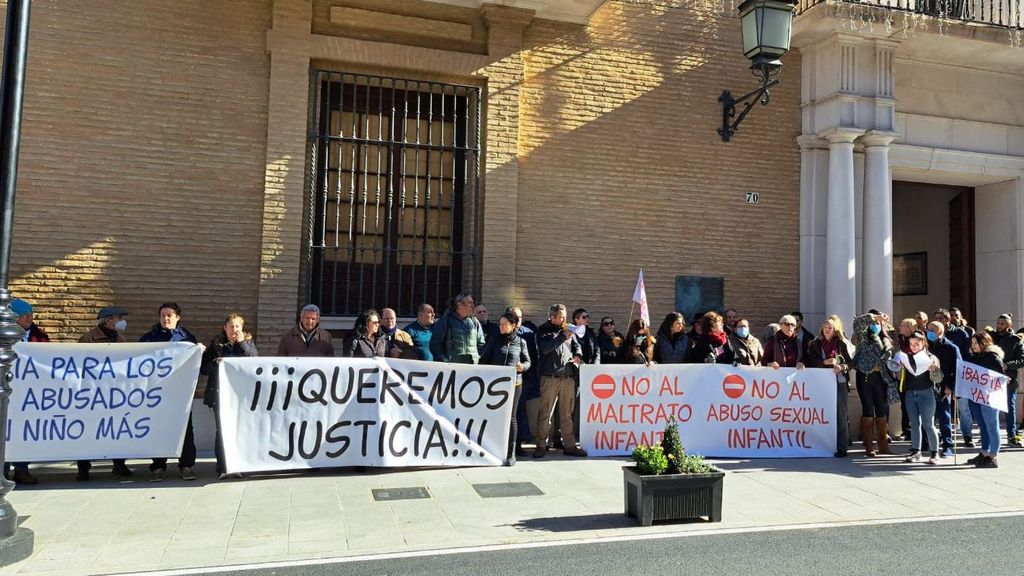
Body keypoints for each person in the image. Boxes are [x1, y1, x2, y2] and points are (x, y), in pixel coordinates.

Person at [139, 303, 202, 482]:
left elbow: (195, 364)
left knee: (185, 430)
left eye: (169, 315)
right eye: (162, 315)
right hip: (157, 394)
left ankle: (186, 466)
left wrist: (199, 352)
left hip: (180, 394)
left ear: (178, 317)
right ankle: (158, 466)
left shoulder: (187, 339)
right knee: (159, 428)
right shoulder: (148, 339)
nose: (165, 319)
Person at [76, 306, 131, 481]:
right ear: (109, 320)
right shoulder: (87, 339)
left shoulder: (121, 340)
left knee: (116, 429)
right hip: (92, 393)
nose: (122, 321)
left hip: (114, 394)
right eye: (119, 317)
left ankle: (119, 464)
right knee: (88, 431)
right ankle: (83, 468)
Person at [201, 313, 258, 479]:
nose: (234, 330)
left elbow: (255, 362)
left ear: (242, 329)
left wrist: (242, 344)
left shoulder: (247, 343)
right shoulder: (216, 345)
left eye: (237, 327)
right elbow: (204, 369)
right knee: (222, 431)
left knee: (240, 430)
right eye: (231, 326)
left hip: (241, 396)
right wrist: (214, 363)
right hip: (220, 395)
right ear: (225, 328)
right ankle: (223, 467)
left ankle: (239, 464)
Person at [533, 304, 586, 458]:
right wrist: (563, 336)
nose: (564, 320)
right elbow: (545, 349)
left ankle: (569, 445)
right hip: (550, 378)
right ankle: (541, 445)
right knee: (545, 413)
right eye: (561, 317)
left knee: (567, 413)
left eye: (565, 316)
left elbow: (577, 346)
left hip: (568, 377)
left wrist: (578, 355)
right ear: (552, 317)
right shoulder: (543, 330)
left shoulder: (569, 329)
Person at [479, 311, 531, 466]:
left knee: (512, 417)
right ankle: (491, 448)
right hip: (495, 385)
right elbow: (484, 361)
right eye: (500, 324)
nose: (500, 327)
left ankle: (511, 452)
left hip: (515, 384)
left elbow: (528, 361)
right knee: (494, 416)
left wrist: (523, 367)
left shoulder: (521, 342)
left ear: (513, 325)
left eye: (504, 324)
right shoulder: (494, 340)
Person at [887, 330, 943, 465]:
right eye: (911, 344)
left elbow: (939, 379)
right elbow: (899, 377)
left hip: (926, 392)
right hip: (911, 393)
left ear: (923, 343)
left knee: (928, 424)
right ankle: (916, 451)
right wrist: (900, 369)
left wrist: (934, 370)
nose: (913, 346)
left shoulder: (931, 357)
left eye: (916, 344)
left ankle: (935, 453)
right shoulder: (906, 356)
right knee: (914, 424)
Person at [7, 298, 47, 484]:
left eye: (30, 314)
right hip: (6, 390)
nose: (29, 318)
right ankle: (4, 470)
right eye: (24, 315)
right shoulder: (4, 334)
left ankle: (22, 469)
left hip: (29, 393)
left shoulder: (40, 336)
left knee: (22, 430)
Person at [852, 311, 896, 457]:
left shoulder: (887, 336)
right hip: (865, 375)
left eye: (878, 322)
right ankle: (869, 445)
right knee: (868, 408)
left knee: (882, 408)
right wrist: (874, 317)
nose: (876, 324)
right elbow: (858, 323)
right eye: (874, 322)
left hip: (881, 376)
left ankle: (883, 445)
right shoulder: (864, 336)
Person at [807, 317, 853, 457]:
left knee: (840, 414)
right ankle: (822, 444)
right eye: (825, 326)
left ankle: (841, 447)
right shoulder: (814, 344)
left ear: (835, 330)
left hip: (839, 382)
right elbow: (810, 361)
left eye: (830, 327)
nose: (827, 329)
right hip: (821, 383)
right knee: (821, 414)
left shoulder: (841, 344)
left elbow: (851, 363)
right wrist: (824, 361)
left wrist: (842, 367)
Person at [966, 331, 1005, 468]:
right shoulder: (974, 356)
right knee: (982, 426)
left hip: (989, 397)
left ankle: (993, 456)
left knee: (991, 426)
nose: (973, 345)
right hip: (976, 396)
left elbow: (1000, 377)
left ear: (985, 342)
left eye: (976, 342)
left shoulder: (992, 357)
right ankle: (984, 452)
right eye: (972, 343)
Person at [926, 320, 963, 458]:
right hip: (927, 386)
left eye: (932, 330)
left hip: (943, 388)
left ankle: (947, 446)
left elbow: (958, 370)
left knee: (944, 418)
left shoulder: (951, 348)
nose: (928, 332)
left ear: (940, 332)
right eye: (928, 329)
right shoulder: (926, 346)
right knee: (926, 418)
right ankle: (925, 444)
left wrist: (951, 387)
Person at [992, 313, 1024, 446]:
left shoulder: (1015, 340)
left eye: (1002, 324)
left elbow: (1022, 360)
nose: (999, 326)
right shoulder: (991, 337)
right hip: (991, 378)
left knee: (1010, 407)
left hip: (1009, 379)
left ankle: (1011, 434)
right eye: (998, 323)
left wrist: (1008, 365)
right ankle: (991, 434)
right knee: (992, 408)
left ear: (1009, 325)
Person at [430, 293, 485, 364]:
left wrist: (477, 358)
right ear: (460, 305)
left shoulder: (475, 322)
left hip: (471, 368)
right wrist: (444, 361)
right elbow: (435, 345)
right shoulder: (446, 321)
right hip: (451, 369)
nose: (473, 305)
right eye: (470, 303)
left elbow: (481, 344)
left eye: (473, 303)